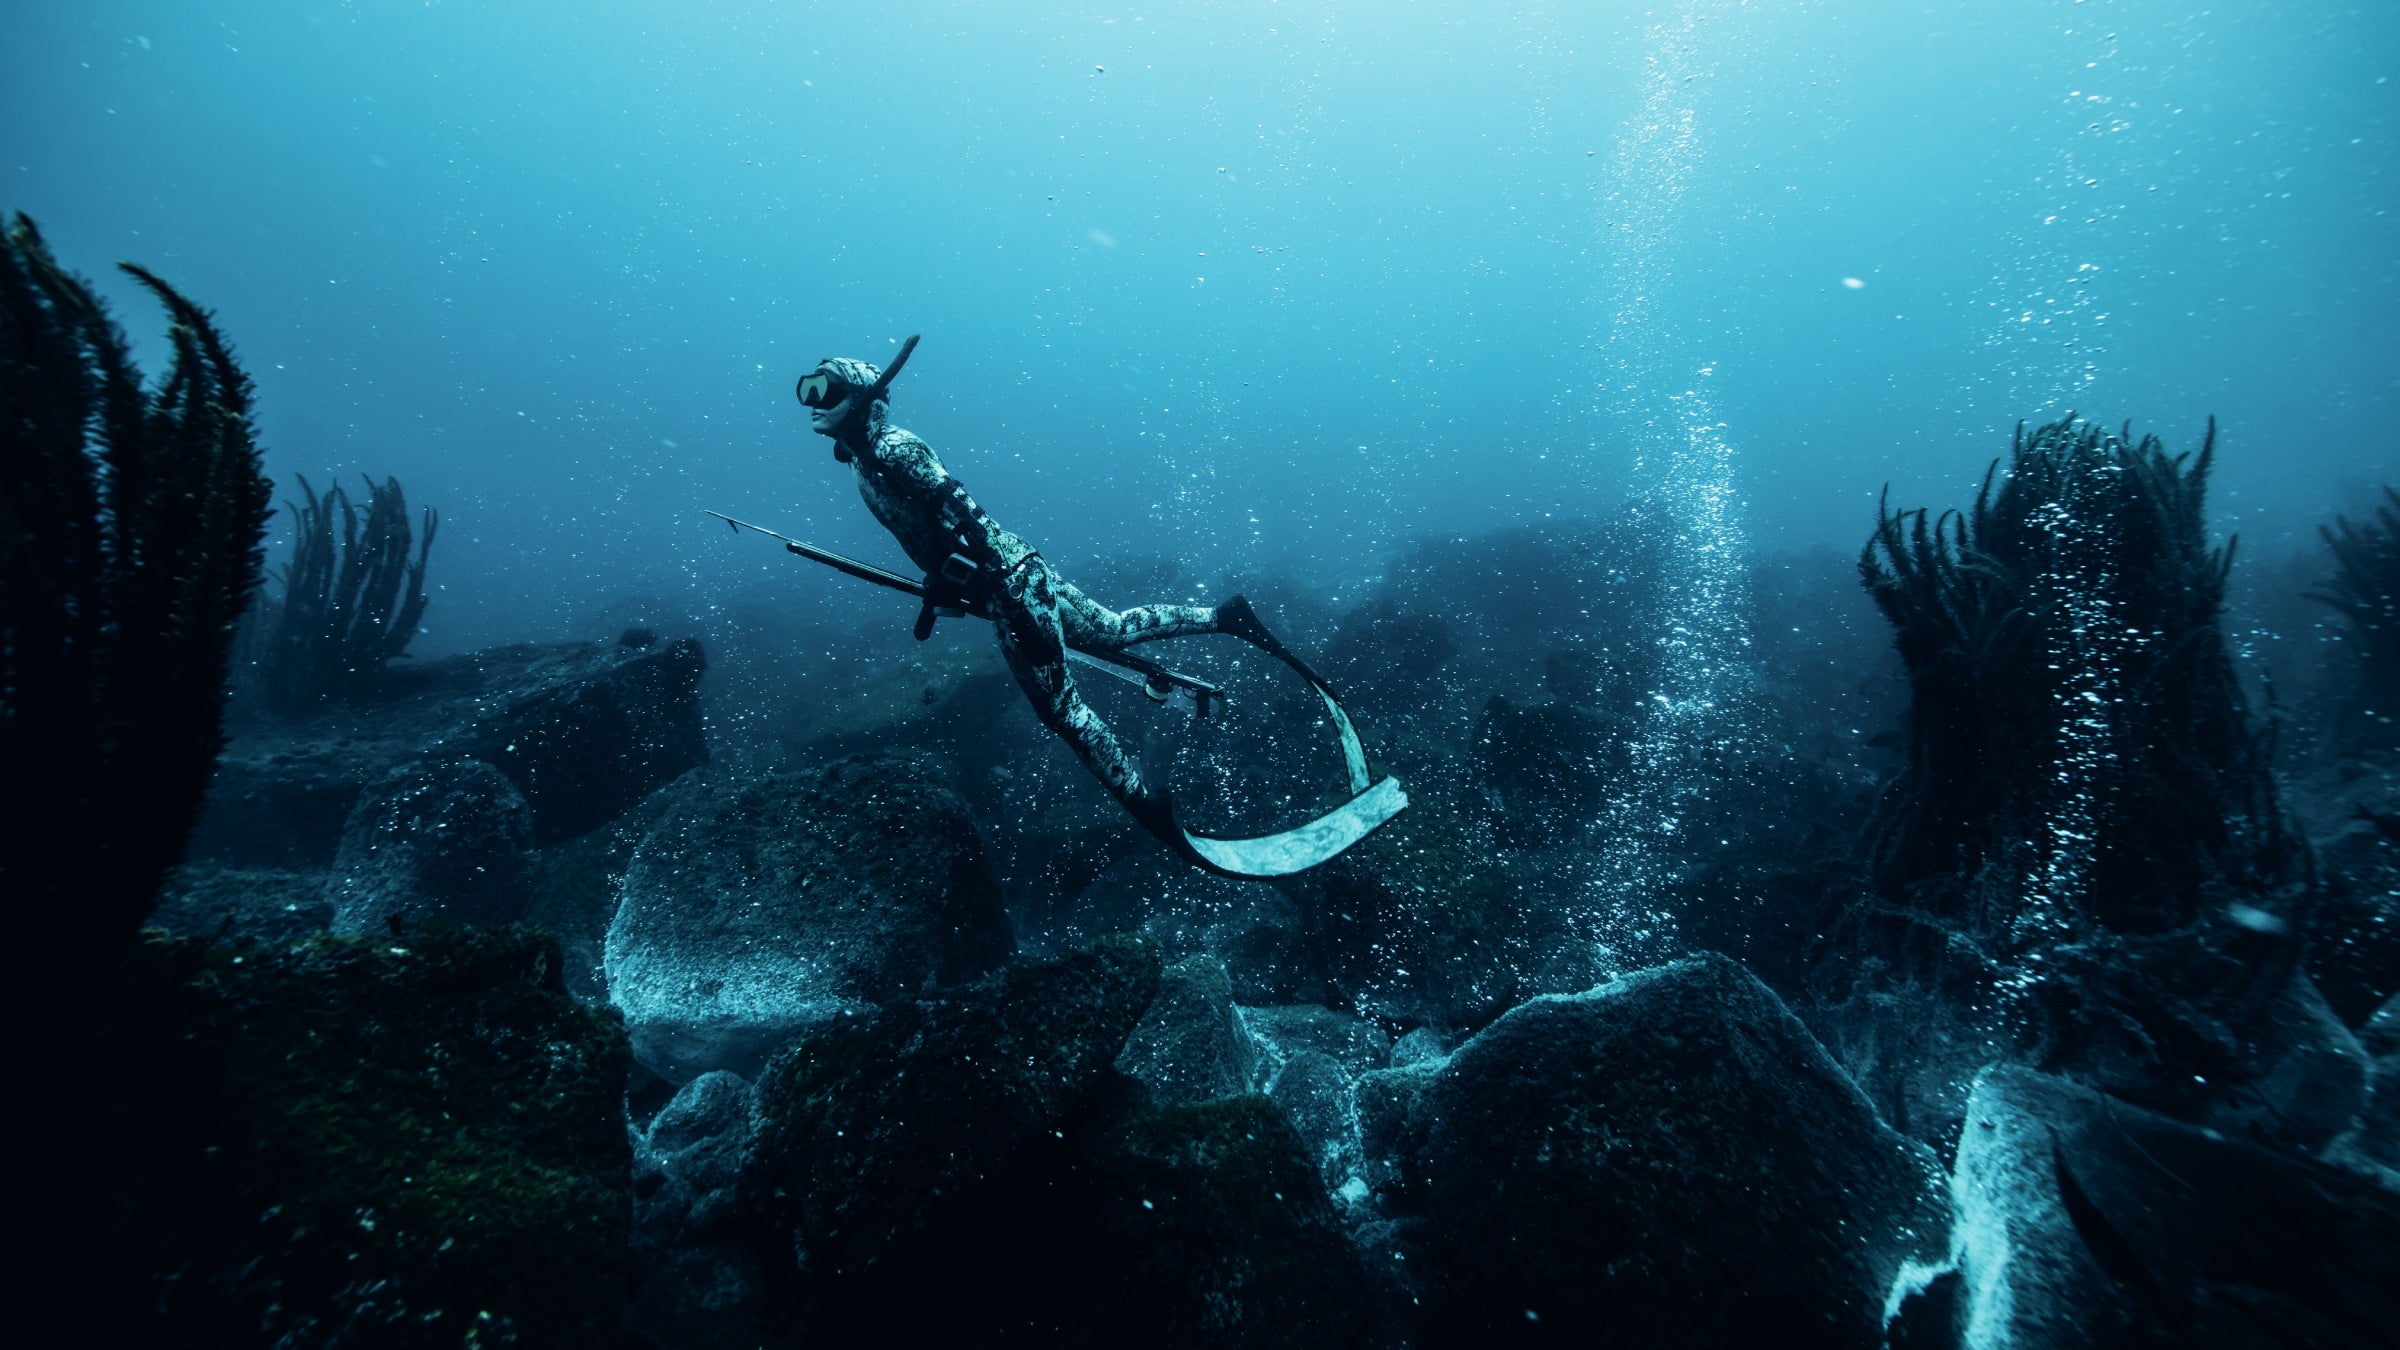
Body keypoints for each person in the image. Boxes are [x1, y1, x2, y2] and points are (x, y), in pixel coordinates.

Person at [797, 351, 1291, 846]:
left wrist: (1009, 602)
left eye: (826, 390)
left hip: (1008, 585)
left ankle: (1146, 806)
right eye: (810, 389)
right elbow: (931, 528)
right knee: (1113, 630)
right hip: (1015, 572)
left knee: (1063, 711)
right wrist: (944, 582)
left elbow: (966, 512)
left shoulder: (893, 450)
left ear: (863, 400)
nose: (812, 401)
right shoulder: (864, 459)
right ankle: (1226, 615)